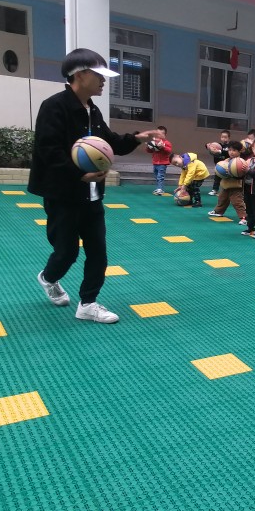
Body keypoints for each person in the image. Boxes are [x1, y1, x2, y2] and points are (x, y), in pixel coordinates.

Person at [29, 48, 160, 324]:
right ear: (79, 75)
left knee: (98, 252)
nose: (104, 81)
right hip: (63, 195)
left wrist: (137, 138)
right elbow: (48, 151)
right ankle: (48, 278)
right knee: (67, 252)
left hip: (92, 195)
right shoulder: (54, 107)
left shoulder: (93, 110)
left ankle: (88, 303)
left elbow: (109, 143)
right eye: (99, 75)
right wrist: (78, 175)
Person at [208, 141, 247, 224]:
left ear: (239, 151)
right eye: (229, 150)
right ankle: (218, 211)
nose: (231, 152)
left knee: (237, 202)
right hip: (226, 185)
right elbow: (221, 170)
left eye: (234, 150)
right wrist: (220, 171)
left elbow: (242, 175)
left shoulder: (241, 162)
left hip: (235, 186)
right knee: (222, 199)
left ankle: (244, 217)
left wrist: (232, 173)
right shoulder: (226, 160)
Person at [145, 126, 172, 195]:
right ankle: (158, 188)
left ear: (164, 135)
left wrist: (163, 147)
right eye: (157, 134)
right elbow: (149, 151)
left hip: (163, 163)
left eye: (160, 134)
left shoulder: (166, 143)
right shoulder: (154, 142)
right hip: (155, 162)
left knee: (160, 176)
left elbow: (169, 151)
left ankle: (160, 189)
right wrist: (149, 146)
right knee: (157, 176)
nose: (158, 135)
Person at [207, 130, 231, 195]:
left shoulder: (229, 146)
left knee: (227, 179)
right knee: (217, 178)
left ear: (229, 138)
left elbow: (226, 152)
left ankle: (227, 190)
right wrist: (208, 146)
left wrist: (219, 151)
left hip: (226, 166)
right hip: (218, 166)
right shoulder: (218, 145)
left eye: (225, 137)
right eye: (222, 137)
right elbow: (208, 146)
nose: (223, 138)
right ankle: (215, 190)